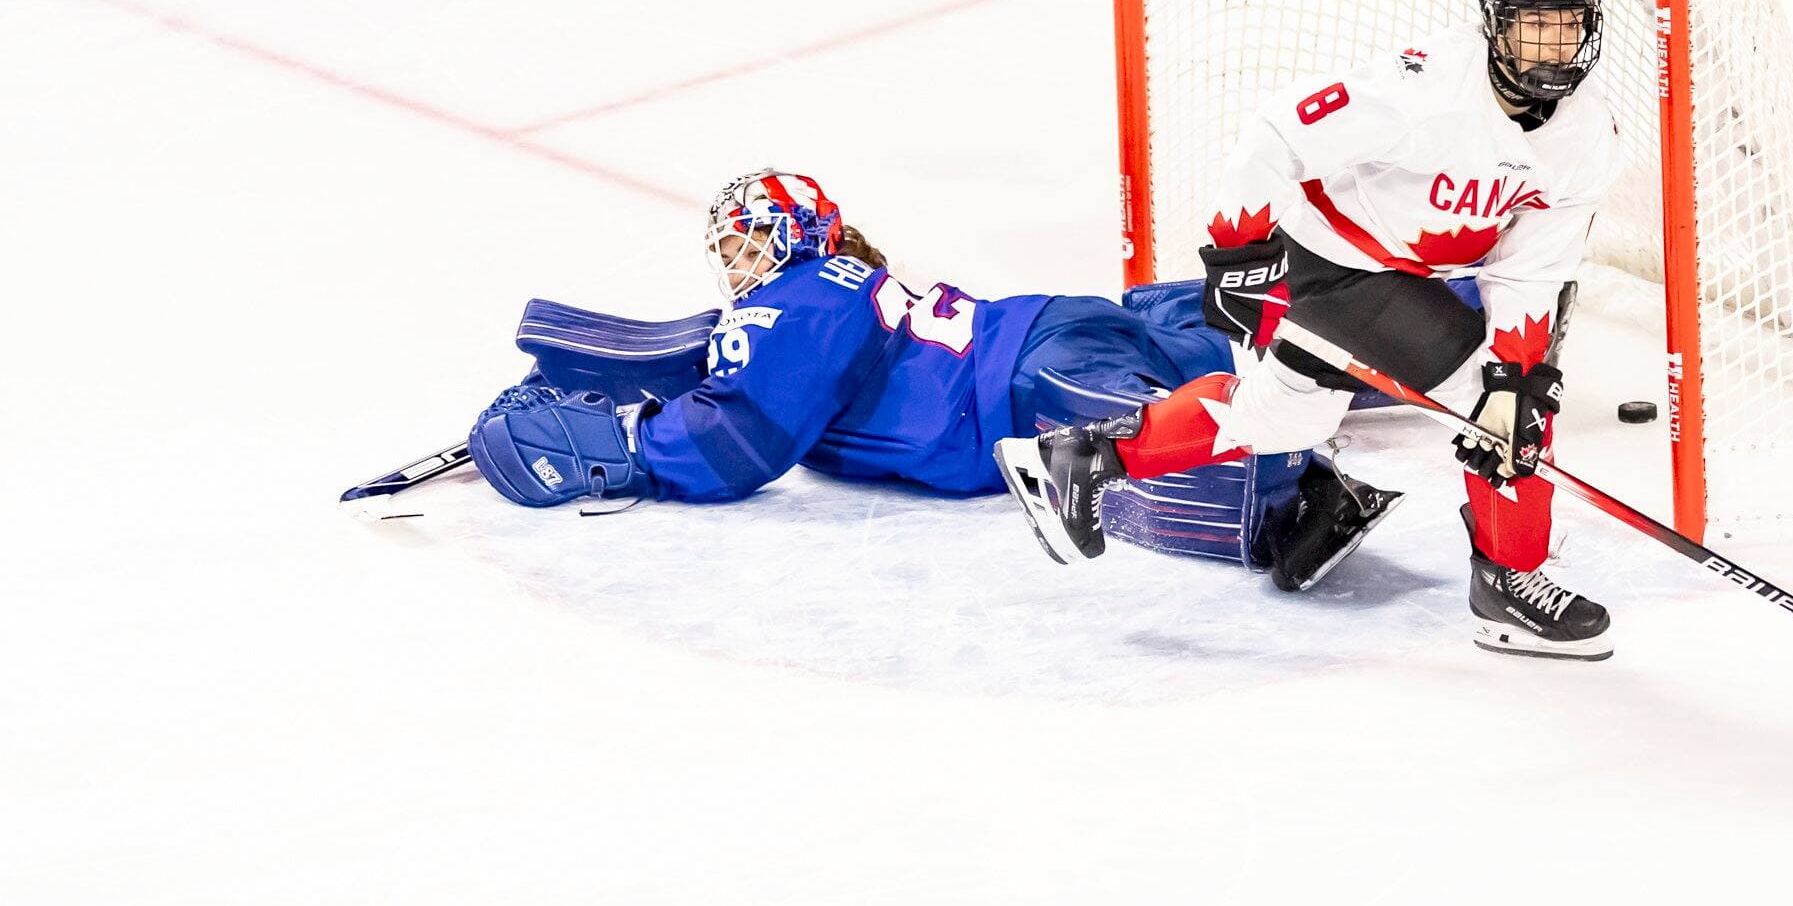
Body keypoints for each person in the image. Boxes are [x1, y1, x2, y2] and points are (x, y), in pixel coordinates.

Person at [997, 0, 1626, 660]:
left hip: (1389, 278)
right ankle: (1510, 584)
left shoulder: (1588, 136)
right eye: (1535, 24)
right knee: (1495, 405)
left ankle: (1081, 458)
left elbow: (1530, 269)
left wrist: (1516, 373)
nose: (1554, 45)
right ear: (1497, 23)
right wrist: (1239, 254)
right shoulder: (1425, 90)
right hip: (1326, 264)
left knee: (1290, 417)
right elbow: (1278, 135)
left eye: (1568, 25)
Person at [464, 170, 1397, 587]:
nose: (737, 262)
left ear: (794, 235)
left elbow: (736, 437)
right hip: (1052, 328)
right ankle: (1436, 317)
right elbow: (736, 364)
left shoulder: (801, 300)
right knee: (1312, 345)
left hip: (1035, 381)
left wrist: (628, 447)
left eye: (747, 240)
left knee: (1156, 449)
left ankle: (1302, 493)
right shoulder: (833, 287)